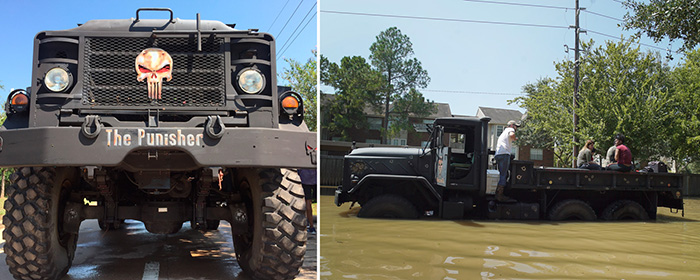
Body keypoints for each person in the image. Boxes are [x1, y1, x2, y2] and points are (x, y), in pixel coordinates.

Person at [494, 120, 518, 202]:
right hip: (504, 154)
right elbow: (512, 135)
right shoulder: (510, 130)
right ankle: (500, 195)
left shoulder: (503, 132)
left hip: (498, 154)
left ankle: (498, 192)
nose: (516, 128)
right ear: (511, 125)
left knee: (503, 174)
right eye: (515, 126)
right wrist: (515, 138)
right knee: (504, 175)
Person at [297, 168, 317, 233]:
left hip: (305, 179)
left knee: (308, 203)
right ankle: (311, 226)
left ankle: (311, 227)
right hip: (315, 178)